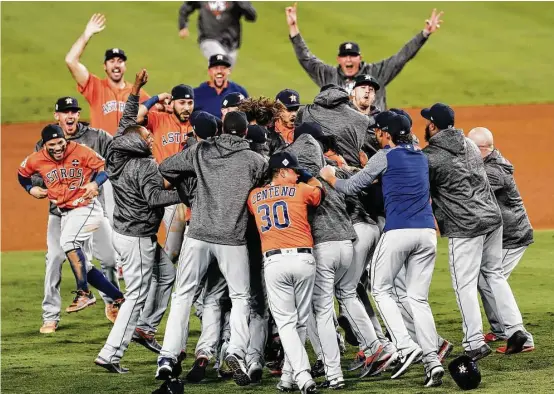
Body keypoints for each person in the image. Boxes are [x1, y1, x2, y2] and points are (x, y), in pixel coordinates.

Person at [320, 111, 445, 387]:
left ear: (386, 133)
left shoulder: (384, 156)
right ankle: (432, 360)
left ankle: (403, 343)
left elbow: (352, 187)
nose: (375, 134)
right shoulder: (421, 156)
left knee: (380, 288)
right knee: (418, 299)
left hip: (399, 231)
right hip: (427, 234)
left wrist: (331, 178)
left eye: (378, 131)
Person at [155, 111, 268, 386]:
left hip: (199, 234)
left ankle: (168, 358)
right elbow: (262, 191)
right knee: (241, 297)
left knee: (182, 295)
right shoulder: (256, 161)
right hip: (233, 238)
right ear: (244, 134)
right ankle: (235, 352)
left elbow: (166, 168)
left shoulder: (201, 150)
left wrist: (192, 193)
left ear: (221, 129)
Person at [421, 103, 533, 360]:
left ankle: (473, 342)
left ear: (433, 126)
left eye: (428, 121)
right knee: (494, 274)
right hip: (493, 220)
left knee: (464, 285)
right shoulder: (470, 145)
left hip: (465, 226)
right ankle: (515, 328)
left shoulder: (430, 157)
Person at [95, 69, 179, 374]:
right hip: (138, 238)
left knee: (167, 274)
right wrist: (184, 195)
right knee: (136, 296)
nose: (150, 136)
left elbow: (127, 122)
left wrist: (136, 91)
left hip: (125, 231)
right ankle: (111, 354)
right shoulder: (144, 166)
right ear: (139, 145)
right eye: (147, 136)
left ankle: (144, 328)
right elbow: (156, 199)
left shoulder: (118, 150)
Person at [34, 96, 120, 334]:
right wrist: (35, 188)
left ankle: (113, 304)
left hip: (92, 213)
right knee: (54, 259)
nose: (70, 116)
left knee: (110, 261)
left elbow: (114, 161)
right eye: (65, 112)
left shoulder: (98, 137)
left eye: (74, 111)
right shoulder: (44, 144)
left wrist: (97, 181)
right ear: (57, 116)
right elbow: (34, 174)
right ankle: (50, 315)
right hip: (60, 215)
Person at [18, 125, 124, 314]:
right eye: (52, 144)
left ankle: (84, 293)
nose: (58, 148)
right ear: (44, 145)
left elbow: (106, 166)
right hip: (66, 213)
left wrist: (95, 182)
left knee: (68, 242)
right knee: (84, 265)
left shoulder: (80, 151)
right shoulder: (36, 159)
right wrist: (30, 189)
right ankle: (118, 297)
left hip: (86, 207)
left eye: (61, 143)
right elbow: (22, 174)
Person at [248, 151, 322, 394]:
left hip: (275, 263)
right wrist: (313, 178)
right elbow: (319, 193)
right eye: (293, 170)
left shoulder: (254, 196)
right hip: (303, 260)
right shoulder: (301, 190)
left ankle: (298, 375)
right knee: (299, 323)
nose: (297, 173)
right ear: (281, 172)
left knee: (288, 324)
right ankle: (293, 377)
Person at [285, 3, 443, 109]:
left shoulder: (375, 73)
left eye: (352, 56)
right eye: (345, 56)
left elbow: (402, 57)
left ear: (359, 58)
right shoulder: (328, 75)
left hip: (373, 134)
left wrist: (425, 33)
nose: (348, 59)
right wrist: (293, 27)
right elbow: (306, 58)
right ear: (339, 59)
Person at [467, 127, 535, 353]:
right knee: (483, 279)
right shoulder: (487, 164)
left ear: (480, 149)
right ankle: (500, 329)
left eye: (470, 147)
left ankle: (522, 337)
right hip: (503, 235)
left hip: (512, 236)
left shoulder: (494, 171)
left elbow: (472, 191)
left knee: (491, 278)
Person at [137, 84, 195, 263]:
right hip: (162, 190)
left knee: (179, 250)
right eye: (182, 103)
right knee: (165, 248)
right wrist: (157, 97)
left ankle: (161, 277)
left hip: (184, 194)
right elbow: (135, 116)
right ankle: (157, 275)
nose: (186, 108)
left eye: (190, 103)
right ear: (172, 103)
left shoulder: (197, 123)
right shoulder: (159, 119)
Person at [65, 14, 150, 135]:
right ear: (105, 66)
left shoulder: (137, 93)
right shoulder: (95, 87)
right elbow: (70, 60)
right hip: (101, 151)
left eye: (120, 61)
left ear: (125, 66)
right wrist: (87, 35)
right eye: (112, 61)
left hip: (126, 151)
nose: (116, 65)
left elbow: (156, 115)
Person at [296, 84, 370, 167]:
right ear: (344, 97)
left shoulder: (303, 111)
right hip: (351, 172)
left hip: (312, 166)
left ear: (321, 95)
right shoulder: (363, 119)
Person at [178, 1, 257, 65]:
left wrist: (242, 4)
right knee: (220, 64)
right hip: (209, 38)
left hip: (231, 42)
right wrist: (183, 26)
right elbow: (185, 8)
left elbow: (252, 17)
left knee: (223, 77)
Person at [193, 54, 249, 118]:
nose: (219, 71)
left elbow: (249, 118)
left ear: (229, 71)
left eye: (223, 68)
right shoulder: (196, 94)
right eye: (215, 68)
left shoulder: (240, 92)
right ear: (209, 71)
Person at [267, 89, 300, 155]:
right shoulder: (268, 131)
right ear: (278, 109)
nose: (294, 114)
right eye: (289, 110)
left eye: (296, 109)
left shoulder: (302, 131)